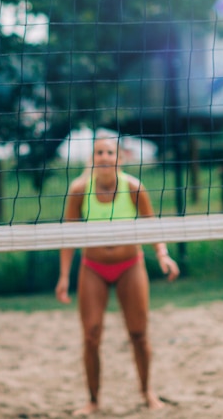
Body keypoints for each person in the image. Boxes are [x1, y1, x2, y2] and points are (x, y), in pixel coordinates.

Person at [55, 132, 180, 415]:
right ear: (92, 159)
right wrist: (64, 277)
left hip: (129, 265)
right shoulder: (78, 189)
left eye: (109, 152)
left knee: (138, 333)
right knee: (91, 335)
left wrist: (162, 254)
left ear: (119, 158)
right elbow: (66, 236)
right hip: (93, 268)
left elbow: (151, 225)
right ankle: (93, 400)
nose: (104, 157)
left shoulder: (133, 187)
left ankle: (147, 391)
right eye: (99, 153)